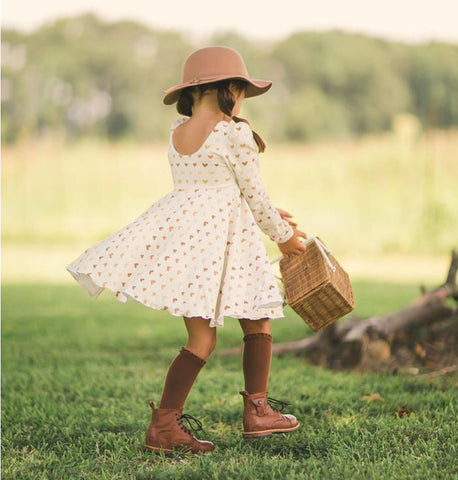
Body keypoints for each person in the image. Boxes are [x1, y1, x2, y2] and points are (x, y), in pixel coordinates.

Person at [65, 45, 307, 456]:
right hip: (227, 242)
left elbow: (220, 188)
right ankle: (258, 410)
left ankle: (165, 425)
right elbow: (255, 194)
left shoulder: (177, 134)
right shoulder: (234, 133)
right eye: (242, 89)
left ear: (191, 93)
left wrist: (261, 210)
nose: (243, 98)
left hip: (190, 245)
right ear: (230, 88)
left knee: (201, 339)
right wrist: (283, 236)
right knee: (258, 318)